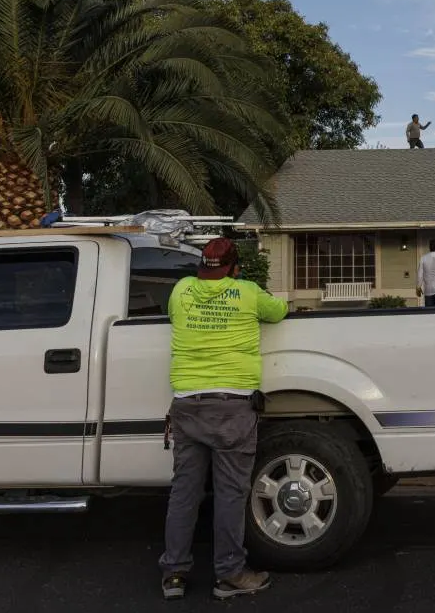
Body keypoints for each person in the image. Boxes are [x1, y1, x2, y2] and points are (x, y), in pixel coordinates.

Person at [159, 237, 288, 601]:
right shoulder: (248, 293)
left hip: (186, 403)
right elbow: (278, 310)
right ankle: (230, 574)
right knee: (230, 494)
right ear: (234, 268)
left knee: (184, 492)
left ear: (202, 267)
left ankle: (174, 574)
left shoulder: (182, 290)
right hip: (232, 406)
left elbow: (172, 316)